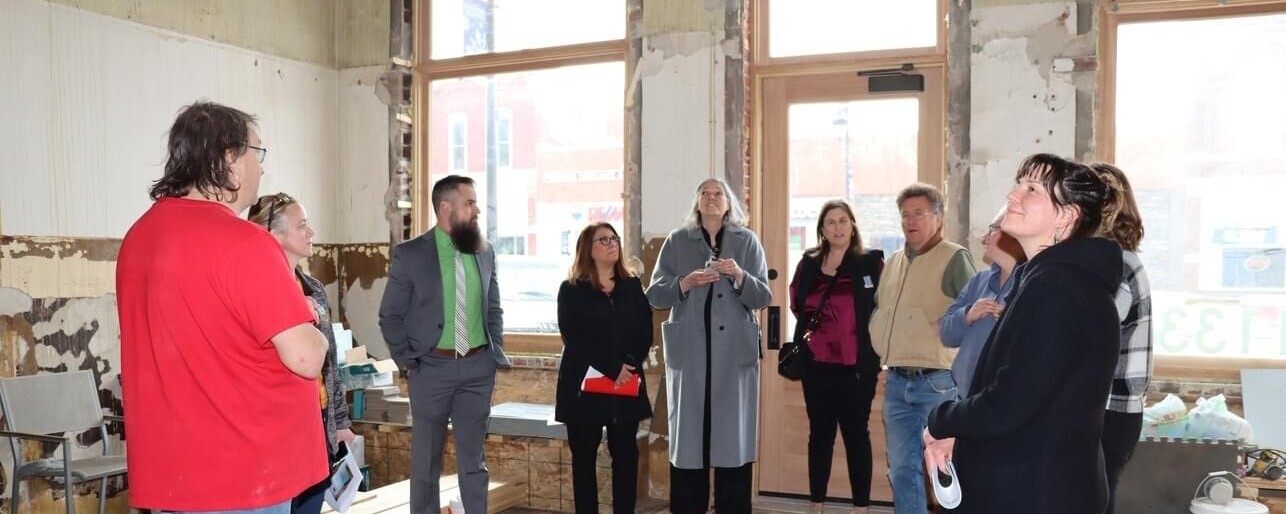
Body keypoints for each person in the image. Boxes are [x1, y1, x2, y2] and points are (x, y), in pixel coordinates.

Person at [117, 101, 330, 513]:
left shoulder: (138, 238)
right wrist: (314, 324)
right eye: (257, 152)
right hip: (245, 476)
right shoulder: (247, 243)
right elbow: (305, 357)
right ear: (230, 160)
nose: (262, 168)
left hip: (174, 473)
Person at [923, 153, 1122, 514]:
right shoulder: (1049, 280)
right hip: (1040, 482)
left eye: (1031, 189)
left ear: (1066, 215)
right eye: (1018, 185)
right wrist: (964, 435)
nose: (1013, 195)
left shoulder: (1058, 289)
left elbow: (1009, 402)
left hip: (1037, 492)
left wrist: (941, 418)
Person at [378, 175, 510, 514]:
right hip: (430, 369)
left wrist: (494, 349)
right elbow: (390, 315)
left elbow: (492, 308)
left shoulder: (485, 251)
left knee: (473, 461)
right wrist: (409, 361)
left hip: (479, 368)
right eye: (470, 203)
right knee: (426, 462)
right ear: (445, 207)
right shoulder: (411, 255)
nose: (477, 209)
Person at [646, 177, 771, 514]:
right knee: (689, 443)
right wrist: (684, 283)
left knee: (733, 443)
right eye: (706, 193)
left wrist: (740, 276)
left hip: (734, 357)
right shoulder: (676, 241)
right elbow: (655, 294)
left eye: (719, 194)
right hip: (690, 355)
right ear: (697, 202)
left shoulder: (747, 242)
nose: (713, 198)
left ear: (729, 203)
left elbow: (763, 296)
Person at [868, 183, 975, 514]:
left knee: (946, 472)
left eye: (919, 214)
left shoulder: (954, 258)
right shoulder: (895, 261)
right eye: (904, 215)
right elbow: (881, 310)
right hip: (897, 381)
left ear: (938, 218)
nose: (910, 221)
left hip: (938, 382)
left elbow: (977, 315)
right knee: (902, 470)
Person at [248, 193, 358, 514]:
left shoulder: (313, 288)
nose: (312, 233)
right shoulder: (256, 287)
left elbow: (330, 365)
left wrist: (338, 420)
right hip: (279, 423)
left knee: (311, 500)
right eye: (302, 226)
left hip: (318, 416)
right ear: (274, 235)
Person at [787, 200, 884, 514]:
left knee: (857, 436)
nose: (838, 227)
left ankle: (861, 508)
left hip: (857, 367)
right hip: (816, 364)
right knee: (820, 436)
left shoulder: (870, 262)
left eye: (844, 220)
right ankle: (816, 504)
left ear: (853, 225)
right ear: (822, 229)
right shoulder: (809, 262)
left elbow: (883, 307)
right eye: (831, 222)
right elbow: (796, 302)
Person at [555, 222, 654, 514]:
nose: (612, 243)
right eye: (603, 239)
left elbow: (644, 333)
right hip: (583, 386)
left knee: (626, 456)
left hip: (626, 384)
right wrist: (611, 368)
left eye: (614, 238)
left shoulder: (633, 285)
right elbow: (573, 336)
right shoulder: (571, 289)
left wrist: (629, 365)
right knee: (584, 459)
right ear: (588, 249)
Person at [1090, 162, 1153, 514]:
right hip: (1108, 408)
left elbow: (1092, 332)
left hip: (1111, 408)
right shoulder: (1115, 260)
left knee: (1095, 501)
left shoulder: (1119, 264)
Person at [938, 210, 1026, 397]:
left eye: (993, 229)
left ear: (1014, 237)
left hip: (1001, 398)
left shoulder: (1030, 284)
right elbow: (946, 334)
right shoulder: (979, 280)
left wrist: (1011, 320)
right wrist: (967, 315)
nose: (984, 237)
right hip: (962, 395)